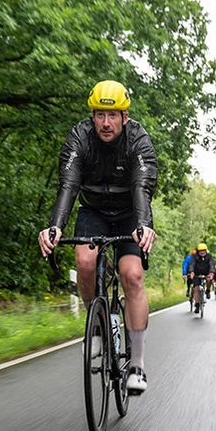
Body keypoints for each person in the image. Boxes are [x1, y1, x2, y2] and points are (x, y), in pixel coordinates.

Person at [38, 80, 158, 394]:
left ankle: (138, 365)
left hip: (130, 214)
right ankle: (97, 325)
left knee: (132, 275)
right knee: (85, 261)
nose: (106, 123)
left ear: (125, 117)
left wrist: (144, 225)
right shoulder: (80, 137)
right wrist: (55, 227)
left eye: (113, 115)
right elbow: (68, 185)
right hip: (93, 212)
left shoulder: (138, 140)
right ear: (92, 116)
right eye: (100, 115)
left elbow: (142, 187)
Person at [188, 243, 216, 313]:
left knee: (209, 279)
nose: (202, 252)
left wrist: (211, 273)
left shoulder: (209, 256)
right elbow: (192, 264)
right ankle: (197, 305)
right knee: (196, 289)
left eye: (204, 250)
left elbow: (212, 264)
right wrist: (191, 272)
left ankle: (208, 290)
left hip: (206, 272)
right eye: (201, 251)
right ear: (198, 251)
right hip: (197, 273)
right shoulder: (194, 257)